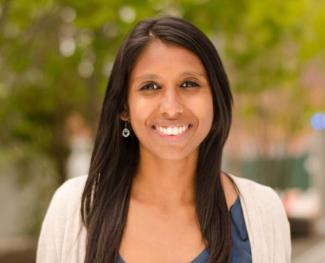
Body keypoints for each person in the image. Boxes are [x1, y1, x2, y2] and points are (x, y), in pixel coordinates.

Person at [36, 16, 291, 263]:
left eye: (189, 84)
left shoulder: (262, 211)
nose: (171, 108)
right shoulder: (73, 209)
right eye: (150, 87)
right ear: (124, 107)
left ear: (215, 98)